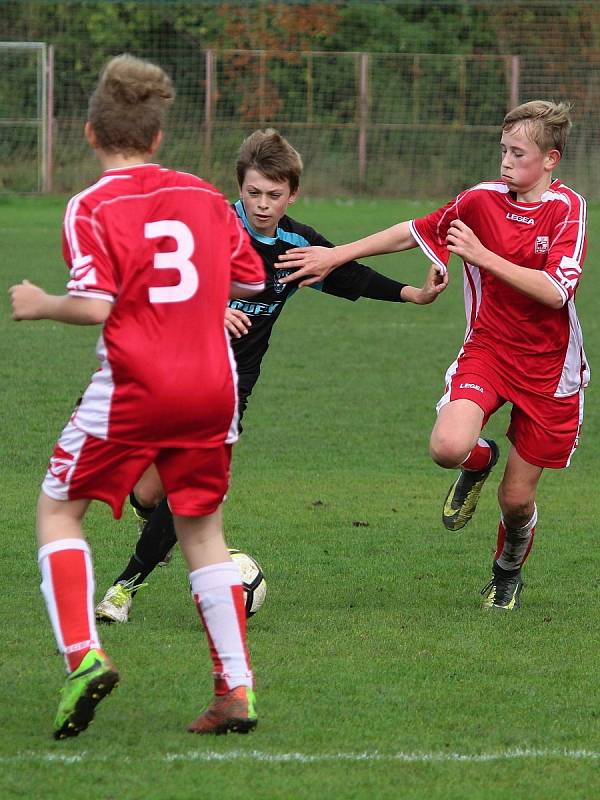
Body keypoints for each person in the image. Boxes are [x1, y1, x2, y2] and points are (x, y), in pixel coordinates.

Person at [8, 54, 267, 739]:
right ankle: (234, 690)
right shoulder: (206, 197)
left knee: (58, 514)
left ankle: (84, 657)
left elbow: (96, 305)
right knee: (203, 532)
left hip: (135, 387)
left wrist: (40, 304)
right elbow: (246, 279)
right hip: (213, 386)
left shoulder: (90, 205)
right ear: (157, 137)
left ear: (90, 134)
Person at [95, 127, 448, 624]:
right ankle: (150, 516)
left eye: (274, 195)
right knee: (150, 492)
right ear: (238, 188)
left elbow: (346, 273)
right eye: (253, 193)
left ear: (293, 193)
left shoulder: (293, 244)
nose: (263, 205)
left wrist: (414, 293)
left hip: (228, 387)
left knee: (188, 488)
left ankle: (123, 590)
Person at [276, 101, 588, 611]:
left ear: (551, 159)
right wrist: (337, 254)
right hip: (487, 350)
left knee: (515, 503)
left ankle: (507, 570)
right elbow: (412, 231)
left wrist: (484, 256)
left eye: (519, 153)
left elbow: (556, 291)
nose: (506, 162)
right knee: (447, 446)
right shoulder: (481, 200)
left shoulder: (568, 210)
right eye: (503, 150)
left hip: (552, 371)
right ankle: (480, 456)